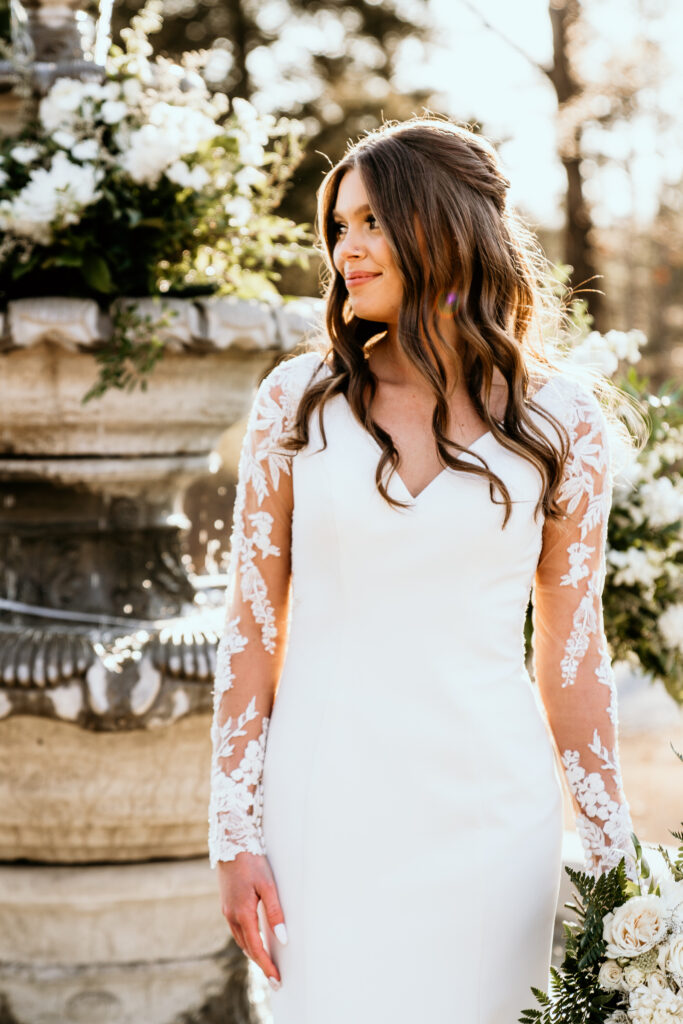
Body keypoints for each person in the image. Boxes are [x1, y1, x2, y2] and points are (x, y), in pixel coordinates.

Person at [208, 116, 641, 1023]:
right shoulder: (295, 401)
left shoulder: (562, 421)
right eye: (338, 227)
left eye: (369, 222)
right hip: (320, 802)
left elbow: (572, 660)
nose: (345, 251)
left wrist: (612, 859)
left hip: (488, 810)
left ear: (440, 226)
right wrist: (232, 833)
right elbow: (250, 631)